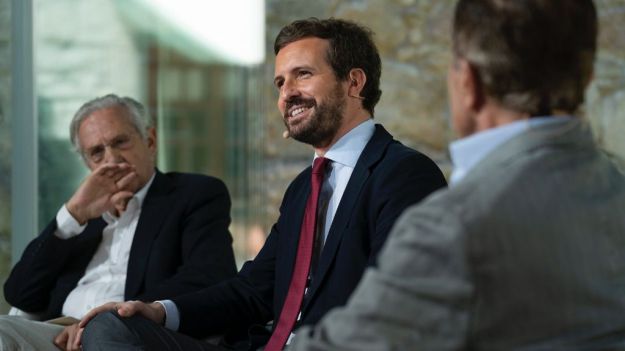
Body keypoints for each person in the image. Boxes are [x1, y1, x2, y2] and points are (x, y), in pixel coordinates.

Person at [78, 18, 447, 351]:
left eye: (302, 74)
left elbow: (398, 303)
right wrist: (159, 311)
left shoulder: (404, 174)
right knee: (112, 328)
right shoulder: (304, 187)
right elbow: (253, 290)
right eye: (280, 82)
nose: (286, 94)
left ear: (354, 82)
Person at [285, 1, 625, 350]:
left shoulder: (453, 226)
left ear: (469, 82)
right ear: (587, 77)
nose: (286, 91)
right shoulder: (615, 191)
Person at [1, 94, 237, 351]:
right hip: (62, 337)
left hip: (130, 332)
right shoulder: (81, 219)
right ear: (86, 162)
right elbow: (20, 294)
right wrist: (73, 214)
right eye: (96, 152)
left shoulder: (193, 194)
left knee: (104, 332)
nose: (111, 159)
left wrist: (104, 317)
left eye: (120, 142)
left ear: (150, 140)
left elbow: (208, 277)